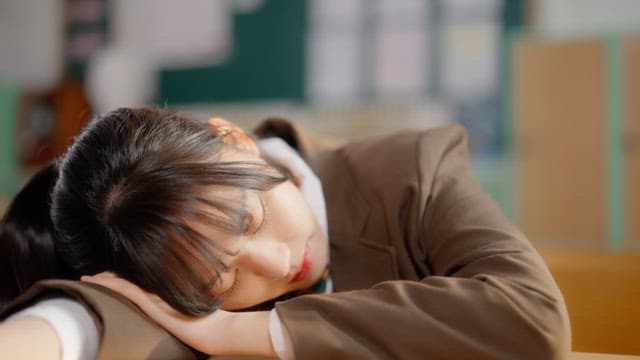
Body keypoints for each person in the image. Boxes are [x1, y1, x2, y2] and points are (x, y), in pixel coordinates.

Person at [0, 107, 571, 359]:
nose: (275, 265)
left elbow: (532, 317)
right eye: (225, 279)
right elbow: (114, 320)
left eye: (254, 218)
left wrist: (235, 333)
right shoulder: (175, 278)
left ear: (235, 140)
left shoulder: (413, 172)